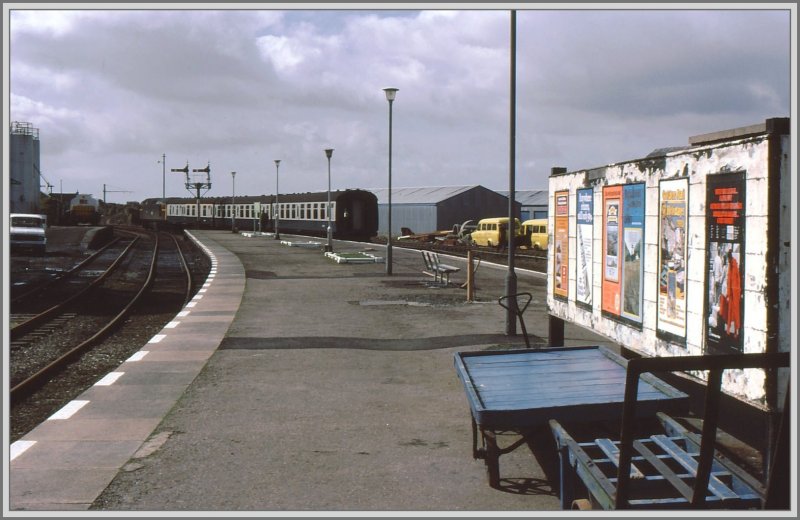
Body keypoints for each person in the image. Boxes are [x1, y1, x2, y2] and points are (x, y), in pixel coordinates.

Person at [725, 248, 741, 339]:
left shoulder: (733, 265)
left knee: (735, 312)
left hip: (734, 293)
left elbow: (733, 280)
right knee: (731, 312)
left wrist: (730, 293)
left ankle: (735, 331)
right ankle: (730, 330)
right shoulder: (732, 264)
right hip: (732, 293)